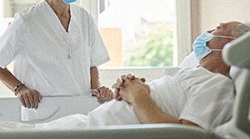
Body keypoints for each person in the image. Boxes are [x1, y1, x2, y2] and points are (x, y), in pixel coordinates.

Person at [0, 0, 113, 111]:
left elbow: (92, 63)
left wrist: (97, 89)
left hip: (81, 111)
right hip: (41, 113)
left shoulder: (84, 18)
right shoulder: (26, 21)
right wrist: (20, 89)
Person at [87, 21, 250, 130]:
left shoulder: (217, 84)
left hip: (96, 130)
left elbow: (185, 134)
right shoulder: (193, 73)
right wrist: (130, 88)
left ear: (231, 44)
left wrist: (137, 95)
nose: (208, 32)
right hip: (92, 123)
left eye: (218, 28)